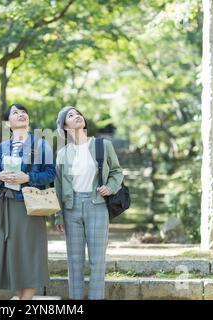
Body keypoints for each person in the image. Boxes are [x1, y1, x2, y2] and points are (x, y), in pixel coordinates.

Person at [54, 106, 124, 300]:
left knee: (97, 261)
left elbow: (117, 172)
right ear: (65, 126)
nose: (77, 116)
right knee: (74, 263)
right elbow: (58, 187)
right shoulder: (62, 154)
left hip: (97, 206)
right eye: (70, 115)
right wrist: (58, 215)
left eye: (78, 114)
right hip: (71, 209)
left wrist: (110, 187)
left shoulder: (102, 145)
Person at [0, 103, 56, 300]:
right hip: (8, 205)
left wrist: (27, 178)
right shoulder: (1, 147)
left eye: (23, 112)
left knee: (31, 254)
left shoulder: (41, 144)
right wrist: (0, 175)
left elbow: (51, 174)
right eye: (15, 113)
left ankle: (25, 300)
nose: (21, 115)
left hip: (31, 206)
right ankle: (20, 297)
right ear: (7, 122)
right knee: (14, 254)